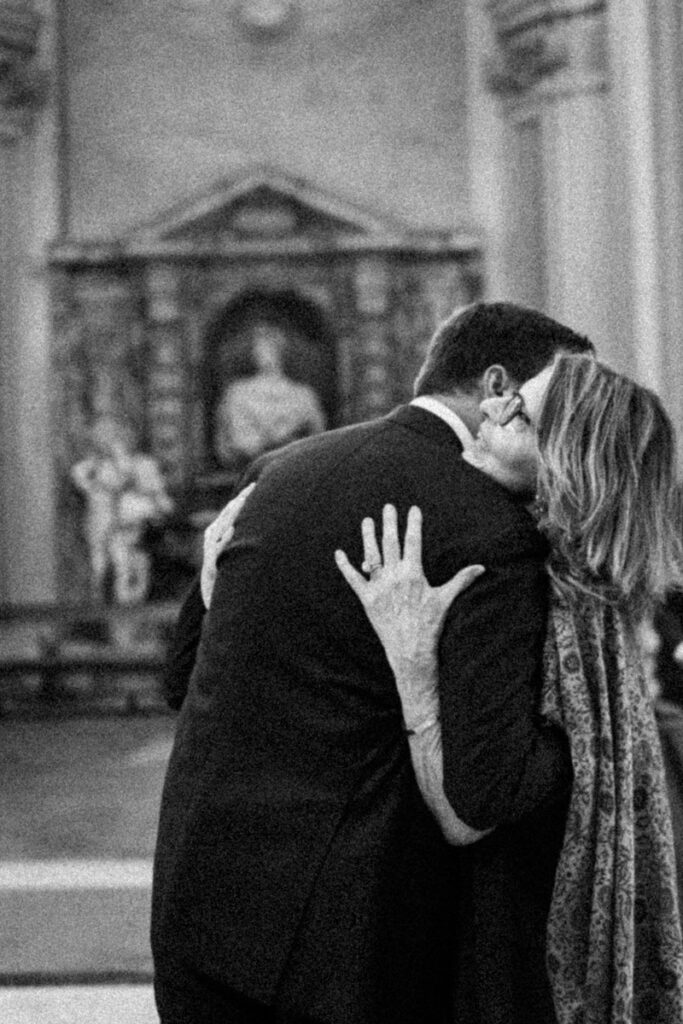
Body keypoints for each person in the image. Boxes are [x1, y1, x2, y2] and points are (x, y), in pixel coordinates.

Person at [151, 302, 593, 1024]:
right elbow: (488, 788)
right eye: (562, 395)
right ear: (497, 384)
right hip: (344, 934)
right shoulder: (489, 524)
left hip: (197, 897)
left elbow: (182, 681)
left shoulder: (279, 469)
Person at [334, 353, 683, 1023]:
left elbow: (468, 813)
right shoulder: (588, 594)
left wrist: (410, 661)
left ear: (567, 462)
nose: (490, 406)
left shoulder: (545, 601)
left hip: (529, 940)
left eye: (519, 412)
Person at [70, 416, 174, 604]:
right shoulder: (97, 467)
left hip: (131, 529)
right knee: (102, 565)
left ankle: (114, 606)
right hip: (108, 522)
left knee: (127, 572)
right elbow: (81, 477)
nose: (116, 443)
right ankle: (99, 598)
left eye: (118, 438)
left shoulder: (144, 465)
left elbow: (162, 503)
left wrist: (151, 504)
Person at [214, 320, 327, 465]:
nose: (264, 353)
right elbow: (237, 444)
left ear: (282, 351)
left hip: (297, 470)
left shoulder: (304, 394)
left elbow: (320, 441)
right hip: (248, 472)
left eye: (270, 347)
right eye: (259, 348)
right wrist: (281, 437)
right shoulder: (237, 393)